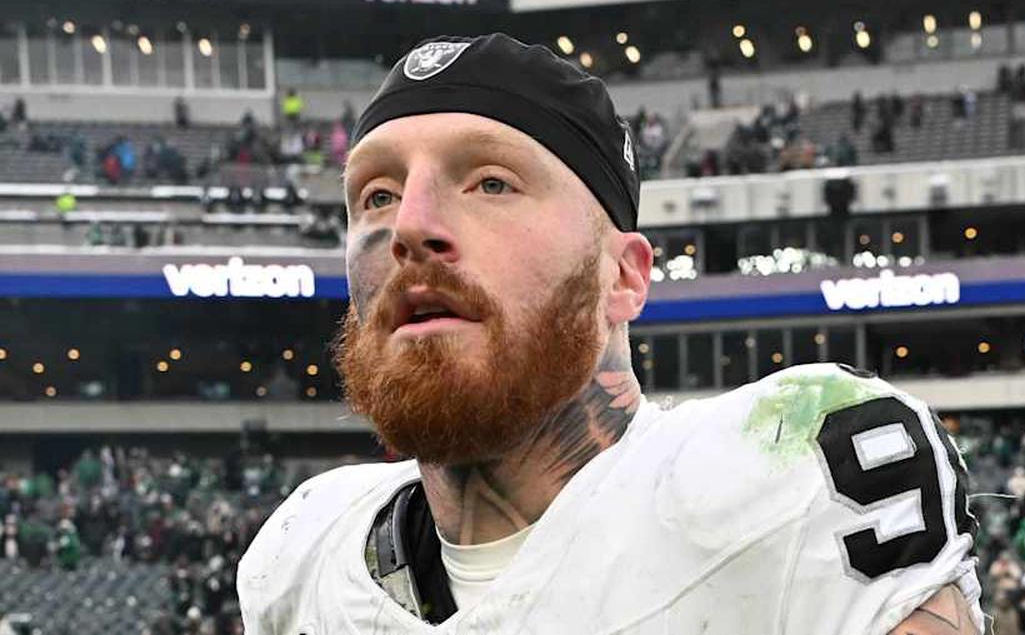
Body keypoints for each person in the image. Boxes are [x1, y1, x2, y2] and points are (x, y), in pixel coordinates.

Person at [237, 33, 983, 635]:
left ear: (623, 277)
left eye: (490, 182)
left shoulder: (790, 470)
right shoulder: (302, 555)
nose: (410, 226)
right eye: (377, 194)